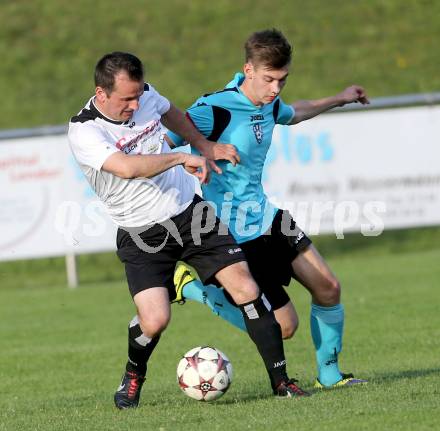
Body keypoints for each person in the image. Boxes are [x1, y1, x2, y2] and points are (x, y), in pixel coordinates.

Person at [68, 52, 310, 409]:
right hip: (142, 233)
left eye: (138, 96)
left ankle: (282, 383)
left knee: (246, 286)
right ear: (101, 93)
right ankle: (134, 375)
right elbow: (126, 167)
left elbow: (171, 113)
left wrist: (204, 144)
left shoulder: (146, 95)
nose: (136, 105)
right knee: (155, 319)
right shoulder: (85, 129)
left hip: (189, 214)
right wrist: (182, 157)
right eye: (126, 99)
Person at [167, 29, 369, 389]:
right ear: (248, 69)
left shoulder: (270, 103)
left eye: (282, 79)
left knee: (329, 288)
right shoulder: (213, 108)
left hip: (269, 218)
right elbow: (167, 141)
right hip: (230, 231)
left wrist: (339, 98)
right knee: (283, 327)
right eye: (269, 79)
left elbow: (294, 113)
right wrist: (189, 158)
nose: (276, 88)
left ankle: (330, 375)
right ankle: (195, 289)